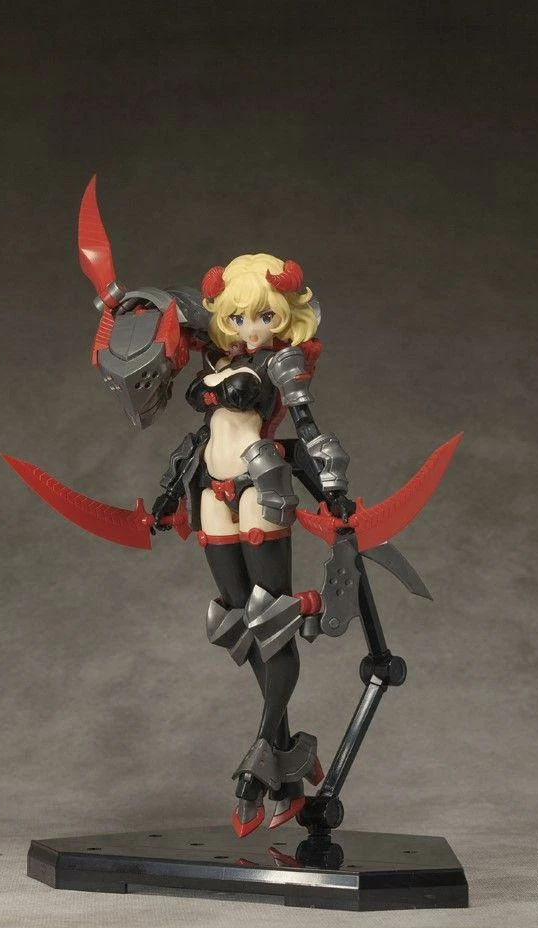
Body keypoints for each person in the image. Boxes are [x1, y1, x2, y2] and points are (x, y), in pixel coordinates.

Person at [151, 252, 355, 836]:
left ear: (284, 316)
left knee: (273, 620)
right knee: (237, 622)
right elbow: (202, 430)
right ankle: (290, 764)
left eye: (263, 317)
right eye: (237, 318)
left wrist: (334, 491)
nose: (250, 329)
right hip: (210, 490)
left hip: (257, 484)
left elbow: (309, 429)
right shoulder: (219, 360)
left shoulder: (282, 363)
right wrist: (170, 493)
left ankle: (261, 757)